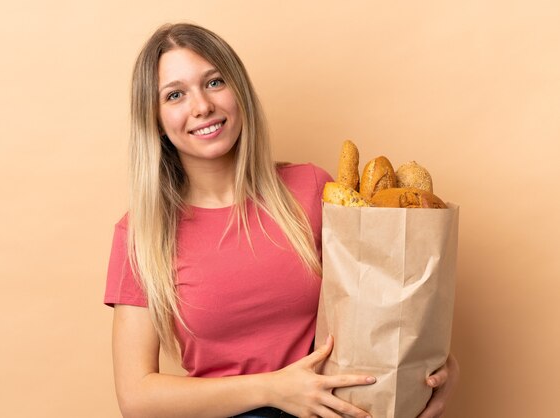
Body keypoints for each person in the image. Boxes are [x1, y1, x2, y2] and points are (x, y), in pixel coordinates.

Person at [104, 22, 459, 418]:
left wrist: (432, 368)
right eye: (175, 95)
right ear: (154, 119)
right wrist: (273, 390)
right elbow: (136, 397)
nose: (201, 106)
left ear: (240, 91)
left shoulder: (310, 188)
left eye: (215, 82)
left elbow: (384, 307)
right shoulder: (144, 233)